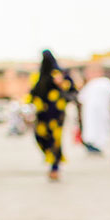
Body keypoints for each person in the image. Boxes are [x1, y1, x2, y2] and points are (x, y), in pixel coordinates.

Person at [26, 50, 76, 181]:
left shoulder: (61, 74)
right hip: (42, 114)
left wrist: (61, 83)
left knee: (55, 140)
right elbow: (33, 93)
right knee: (40, 136)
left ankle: (55, 167)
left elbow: (72, 90)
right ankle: (50, 157)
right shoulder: (40, 76)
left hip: (57, 114)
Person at [77, 64, 110, 155]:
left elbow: (80, 98)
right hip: (97, 113)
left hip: (97, 113)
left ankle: (96, 147)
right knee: (96, 130)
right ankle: (95, 146)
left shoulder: (98, 83)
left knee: (95, 130)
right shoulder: (104, 83)